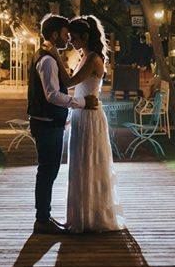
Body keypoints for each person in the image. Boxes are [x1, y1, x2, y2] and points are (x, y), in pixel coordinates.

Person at [46, 15, 124, 234]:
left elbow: (69, 82)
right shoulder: (85, 56)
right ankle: (80, 215)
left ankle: (92, 216)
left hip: (90, 116)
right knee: (80, 164)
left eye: (73, 37)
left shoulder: (92, 59)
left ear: (86, 36)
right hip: (81, 113)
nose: (70, 41)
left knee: (89, 163)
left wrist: (55, 55)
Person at [27, 14, 98, 235]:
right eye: (65, 34)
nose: (68, 39)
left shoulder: (47, 56)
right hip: (46, 123)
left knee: (49, 171)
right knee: (47, 171)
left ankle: (44, 217)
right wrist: (82, 102)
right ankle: (42, 219)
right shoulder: (48, 60)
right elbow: (52, 95)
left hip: (50, 122)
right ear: (55, 34)